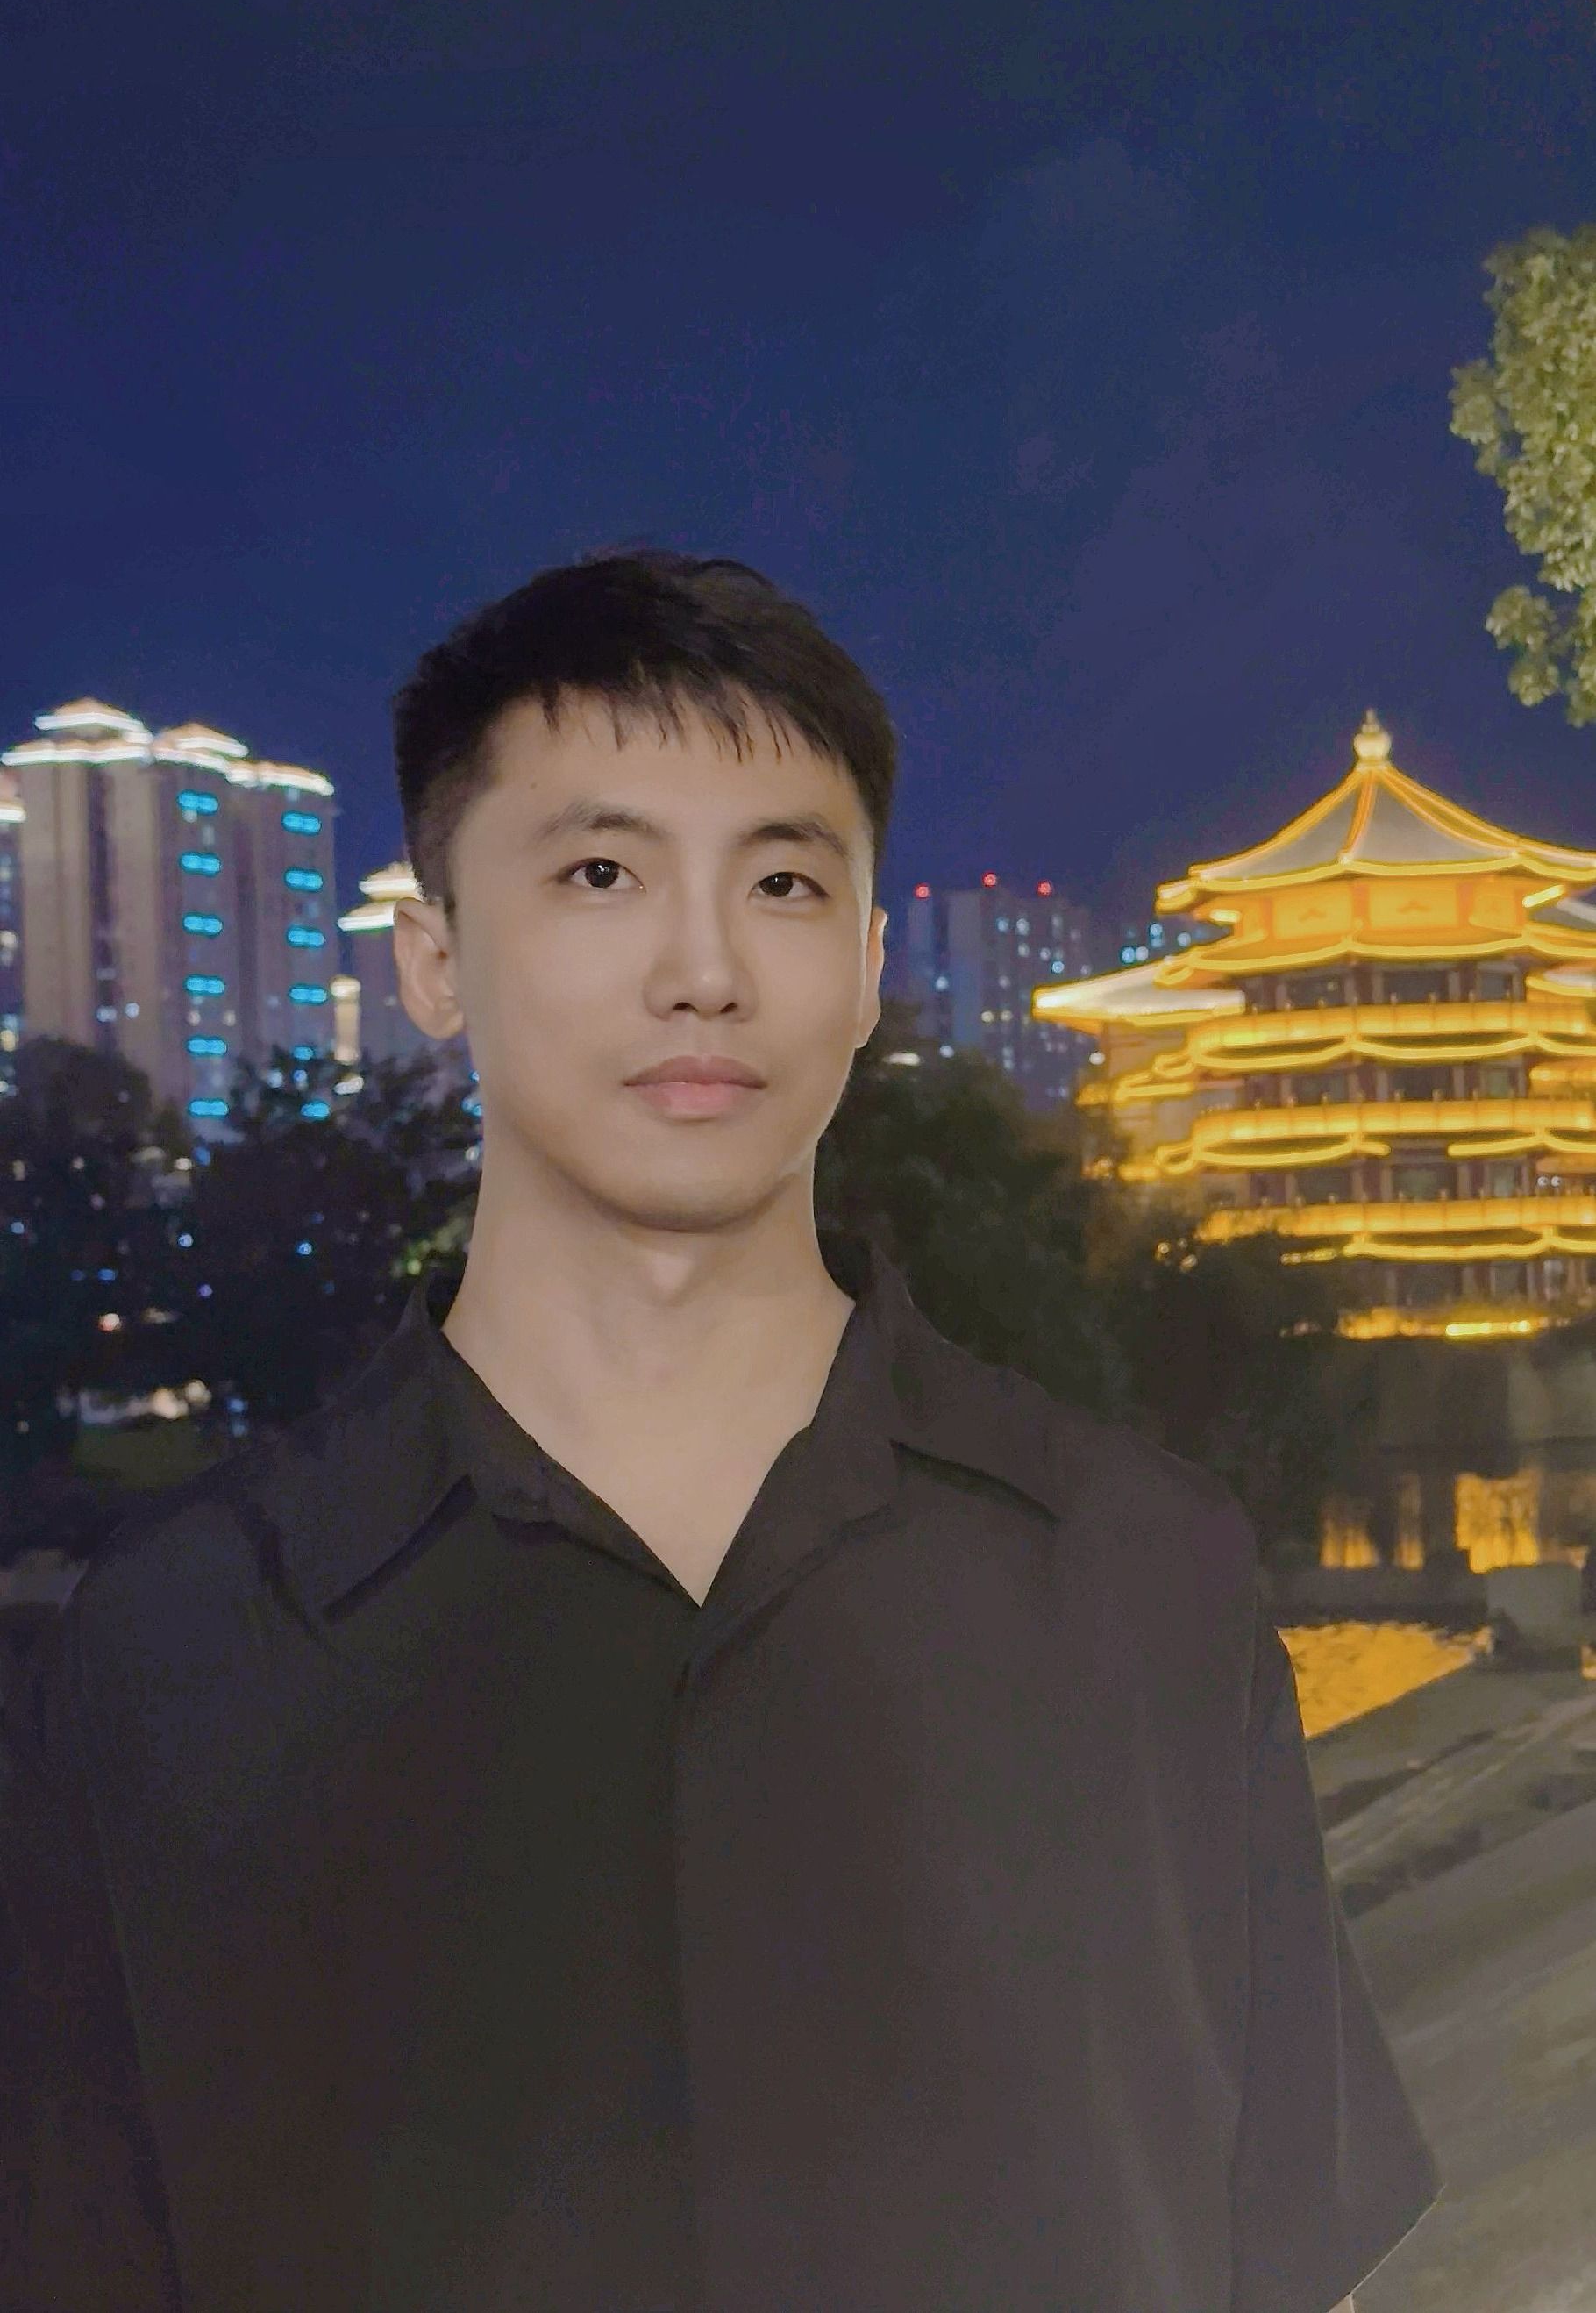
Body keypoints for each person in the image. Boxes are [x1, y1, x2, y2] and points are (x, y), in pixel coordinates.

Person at [0, 549, 1438, 2310]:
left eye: (780, 882)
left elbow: (1287, 2266)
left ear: (864, 961)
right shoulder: (174, 1653)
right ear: (433, 958)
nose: (704, 969)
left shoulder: (1144, 1575)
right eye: (601, 872)